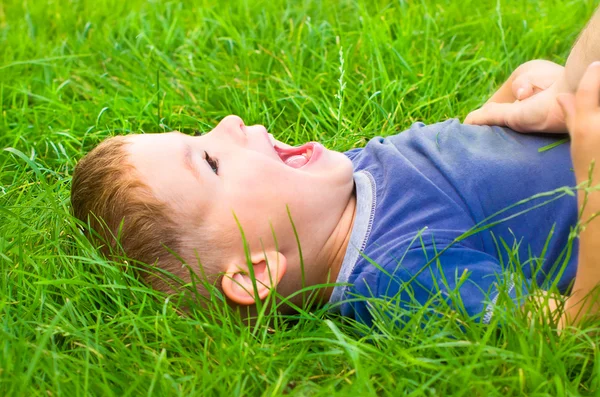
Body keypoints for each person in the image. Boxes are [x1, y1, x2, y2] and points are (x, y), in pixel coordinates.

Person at [71, 8, 600, 328]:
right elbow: (569, 328)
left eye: (202, 132)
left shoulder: (350, 181)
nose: (229, 122)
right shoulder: (398, 273)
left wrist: (519, 97)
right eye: (209, 161)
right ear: (256, 273)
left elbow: (462, 169)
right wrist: (589, 169)